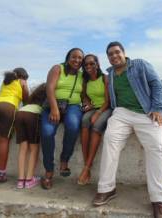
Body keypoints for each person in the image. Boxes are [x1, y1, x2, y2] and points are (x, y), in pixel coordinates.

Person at [92, 42, 162, 218]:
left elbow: (157, 85)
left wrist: (158, 108)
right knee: (110, 140)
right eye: (110, 54)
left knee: (157, 147)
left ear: (124, 53)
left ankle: (160, 200)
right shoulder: (110, 74)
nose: (114, 56)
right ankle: (106, 189)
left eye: (117, 52)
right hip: (121, 112)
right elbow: (109, 99)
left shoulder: (140, 64)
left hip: (147, 112)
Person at [41, 48, 84, 189]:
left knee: (72, 126)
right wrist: (54, 108)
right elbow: (49, 88)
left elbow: (84, 93)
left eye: (80, 58)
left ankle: (64, 159)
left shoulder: (81, 75)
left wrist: (88, 102)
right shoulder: (57, 68)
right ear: (68, 57)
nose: (77, 60)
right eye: (74, 57)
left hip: (72, 106)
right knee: (47, 133)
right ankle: (48, 170)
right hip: (53, 104)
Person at [0, 68, 29, 182]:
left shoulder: (6, 81)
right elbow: (27, 100)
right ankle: (1, 173)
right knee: (3, 140)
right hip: (8, 107)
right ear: (23, 76)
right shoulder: (22, 82)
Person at [78, 54, 111, 185]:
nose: (89, 66)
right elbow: (84, 95)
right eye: (86, 65)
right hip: (93, 108)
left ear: (97, 64)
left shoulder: (105, 78)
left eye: (92, 63)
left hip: (106, 108)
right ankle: (88, 166)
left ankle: (86, 168)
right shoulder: (86, 81)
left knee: (96, 126)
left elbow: (108, 101)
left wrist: (98, 112)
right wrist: (87, 104)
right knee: (84, 122)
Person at [16, 83, 46, 189]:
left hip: (20, 112)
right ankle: (29, 180)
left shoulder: (29, 102)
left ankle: (20, 180)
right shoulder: (41, 106)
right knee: (34, 149)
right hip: (33, 115)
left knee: (23, 148)